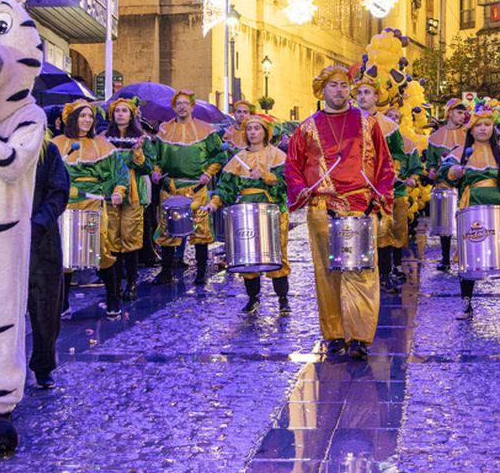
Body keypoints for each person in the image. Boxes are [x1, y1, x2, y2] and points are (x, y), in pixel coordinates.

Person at [284, 65, 396, 361]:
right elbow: (292, 167)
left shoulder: (368, 123)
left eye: (344, 85)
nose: (340, 91)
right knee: (328, 272)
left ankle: (359, 336)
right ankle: (334, 333)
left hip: (360, 205)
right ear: (322, 90)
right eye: (333, 86)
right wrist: (300, 189)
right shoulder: (306, 128)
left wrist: (381, 194)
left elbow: (385, 164)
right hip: (322, 207)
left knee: (361, 272)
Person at [440, 99, 500, 311]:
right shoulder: (460, 152)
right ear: (471, 128)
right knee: (469, 254)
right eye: (478, 125)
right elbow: (445, 172)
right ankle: (466, 302)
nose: (483, 129)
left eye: (487, 124)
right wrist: (454, 172)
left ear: (493, 127)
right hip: (471, 210)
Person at [53, 101, 130, 317]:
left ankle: (113, 298)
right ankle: (62, 303)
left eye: (90, 116)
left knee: (102, 251)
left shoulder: (102, 145)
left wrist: (118, 191)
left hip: (94, 203)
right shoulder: (57, 144)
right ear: (72, 118)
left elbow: (121, 172)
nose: (87, 120)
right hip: (66, 204)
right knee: (66, 254)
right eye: (82, 115)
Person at [209, 112, 291, 314]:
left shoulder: (278, 155)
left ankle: (283, 300)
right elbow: (226, 186)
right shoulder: (238, 159)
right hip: (246, 211)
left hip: (273, 211)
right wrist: (215, 202)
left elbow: (287, 183)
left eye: (257, 129)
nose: (253, 133)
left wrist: (266, 176)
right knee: (248, 255)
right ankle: (253, 298)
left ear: (265, 132)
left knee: (277, 254)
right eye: (250, 129)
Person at [144, 88, 224, 286]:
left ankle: (201, 272)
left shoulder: (206, 130)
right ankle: (166, 271)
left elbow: (219, 156)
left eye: (185, 103)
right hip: (170, 187)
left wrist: (208, 173)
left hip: (196, 187)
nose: (181, 107)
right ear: (173, 106)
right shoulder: (164, 130)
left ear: (192, 106)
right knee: (167, 230)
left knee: (200, 231)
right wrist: (155, 171)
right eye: (178, 103)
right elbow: (156, 157)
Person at [354, 79, 423, 294]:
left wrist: (388, 174)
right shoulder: (348, 123)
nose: (363, 96)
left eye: (367, 92)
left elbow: (398, 154)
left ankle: (384, 275)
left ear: (376, 97)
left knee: (384, 233)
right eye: (360, 93)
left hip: (382, 188)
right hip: (357, 188)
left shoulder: (390, 127)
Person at [27, 131, 72, 389]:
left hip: (41, 239)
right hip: (2, 238)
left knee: (45, 306)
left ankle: (43, 364)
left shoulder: (48, 151)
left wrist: (40, 222)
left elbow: (58, 191)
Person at [102, 97, 150, 297]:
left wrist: (138, 153)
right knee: (111, 237)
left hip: (133, 193)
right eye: (117, 111)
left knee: (130, 237)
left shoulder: (142, 138)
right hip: (109, 193)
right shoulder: (103, 138)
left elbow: (147, 167)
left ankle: (131, 283)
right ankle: (115, 285)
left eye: (125, 111)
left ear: (131, 115)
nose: (120, 114)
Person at [424, 98, 471, 272]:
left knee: (465, 221)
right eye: (459, 112)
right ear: (449, 113)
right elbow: (430, 161)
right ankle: (445, 259)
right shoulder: (435, 137)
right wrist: (431, 171)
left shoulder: (469, 134)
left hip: (463, 183)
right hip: (444, 184)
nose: (462, 116)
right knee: (445, 223)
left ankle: (465, 256)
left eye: (464, 113)